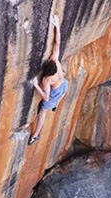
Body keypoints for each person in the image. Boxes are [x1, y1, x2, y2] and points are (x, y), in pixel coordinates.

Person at [28, 15, 69, 146]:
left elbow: (46, 97)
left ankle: (36, 135)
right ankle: (56, 105)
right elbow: (57, 43)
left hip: (55, 92)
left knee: (42, 113)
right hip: (64, 84)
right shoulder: (56, 62)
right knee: (62, 93)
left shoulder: (47, 80)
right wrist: (57, 26)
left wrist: (36, 85)